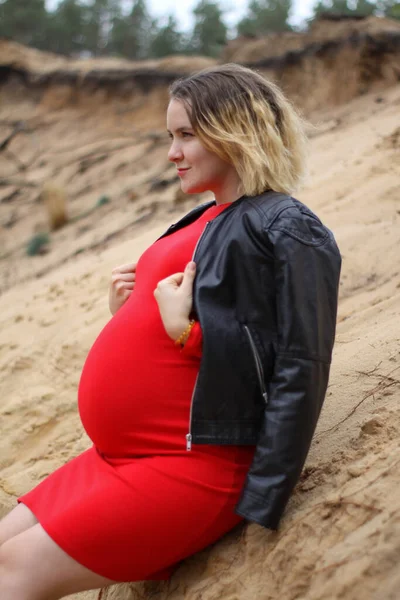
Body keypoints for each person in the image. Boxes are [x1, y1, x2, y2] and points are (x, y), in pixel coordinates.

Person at [0, 63, 341, 599]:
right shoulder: (212, 216)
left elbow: (296, 361)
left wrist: (184, 332)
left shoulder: (285, 225)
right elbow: (208, 322)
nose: (171, 153)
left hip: (192, 465)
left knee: (12, 574)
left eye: (186, 135)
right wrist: (129, 315)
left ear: (234, 133)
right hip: (119, 457)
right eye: (170, 136)